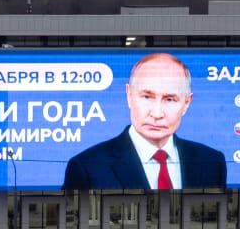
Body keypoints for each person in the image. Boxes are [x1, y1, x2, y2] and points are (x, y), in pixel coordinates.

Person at [62, 52, 227, 191]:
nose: (156, 113)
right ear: (129, 95)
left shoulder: (212, 162)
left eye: (169, 99)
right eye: (147, 97)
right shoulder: (87, 167)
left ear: (186, 103)